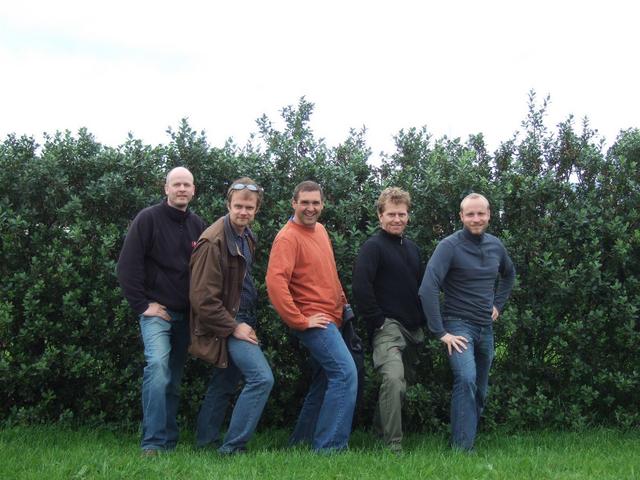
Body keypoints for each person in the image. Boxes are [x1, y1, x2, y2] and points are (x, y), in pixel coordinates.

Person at [116, 166, 206, 455]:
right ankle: (152, 443)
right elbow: (127, 266)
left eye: (186, 184)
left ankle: (168, 440)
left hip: (186, 316)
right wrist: (143, 305)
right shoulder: (148, 219)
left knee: (173, 379)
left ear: (193, 190)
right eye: (176, 184)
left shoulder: (198, 226)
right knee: (157, 369)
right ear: (165, 188)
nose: (181, 189)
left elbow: (205, 272)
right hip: (157, 313)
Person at [419, 193, 516, 451]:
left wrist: (498, 304)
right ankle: (461, 449)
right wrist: (440, 332)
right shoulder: (449, 246)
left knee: (480, 388)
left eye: (480, 213)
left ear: (489, 215)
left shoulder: (496, 246)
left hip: (486, 328)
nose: (476, 218)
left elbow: (509, 274)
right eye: (470, 214)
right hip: (458, 326)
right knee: (466, 378)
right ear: (461, 216)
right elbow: (428, 288)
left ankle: (466, 438)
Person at [265, 180, 357, 453]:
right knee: (345, 374)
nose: (310, 208)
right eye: (304, 202)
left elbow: (328, 272)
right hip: (315, 321)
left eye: (315, 202)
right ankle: (330, 448)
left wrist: (343, 302)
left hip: (333, 318)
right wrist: (300, 320)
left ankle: (301, 442)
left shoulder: (321, 230)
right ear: (293, 203)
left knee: (326, 379)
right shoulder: (287, 237)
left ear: (322, 205)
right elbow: (275, 283)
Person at [189, 177, 274, 455]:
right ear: (228, 205)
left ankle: (205, 443)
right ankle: (233, 448)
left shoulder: (247, 235)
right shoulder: (213, 240)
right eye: (238, 206)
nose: (243, 212)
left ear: (256, 209)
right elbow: (202, 299)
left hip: (242, 317)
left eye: (249, 207)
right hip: (228, 321)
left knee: (224, 381)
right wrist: (235, 327)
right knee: (262, 378)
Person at [352, 187, 425, 453]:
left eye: (402, 214)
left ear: (408, 216)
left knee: (400, 386)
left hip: (413, 330)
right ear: (380, 216)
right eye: (391, 214)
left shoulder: (413, 249)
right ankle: (392, 446)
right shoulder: (373, 247)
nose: (397, 219)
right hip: (388, 328)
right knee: (393, 380)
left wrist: (426, 322)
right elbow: (361, 286)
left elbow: (422, 288)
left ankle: (378, 431)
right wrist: (378, 321)